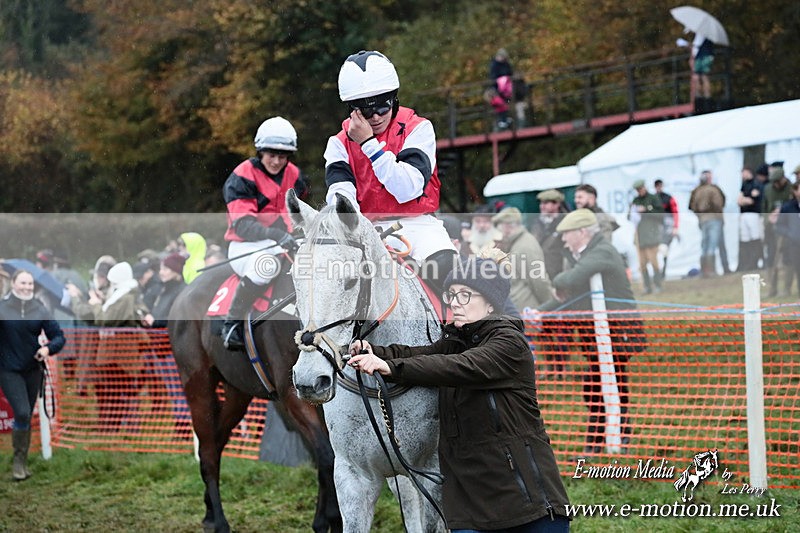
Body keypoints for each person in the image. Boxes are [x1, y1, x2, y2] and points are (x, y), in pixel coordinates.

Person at [347, 255, 571, 532]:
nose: (455, 303)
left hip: (525, 500)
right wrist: (376, 352)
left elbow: (459, 366)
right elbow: (420, 354)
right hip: (467, 501)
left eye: (465, 295)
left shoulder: (509, 343)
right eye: (451, 295)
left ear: (490, 303)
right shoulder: (456, 341)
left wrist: (389, 367)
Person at [324, 50, 457, 289]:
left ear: (393, 98)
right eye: (365, 111)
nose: (374, 117)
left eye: (382, 108)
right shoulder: (338, 143)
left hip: (419, 227)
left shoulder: (419, 128)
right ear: (353, 109)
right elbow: (341, 198)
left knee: (454, 277)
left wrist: (367, 144)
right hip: (368, 229)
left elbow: (406, 190)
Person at [536, 209, 644, 455]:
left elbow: (568, 280)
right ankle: (605, 441)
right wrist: (539, 311)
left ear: (582, 232)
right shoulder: (587, 254)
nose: (563, 240)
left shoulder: (601, 252)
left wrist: (562, 282)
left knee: (604, 384)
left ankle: (608, 442)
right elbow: (571, 293)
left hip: (617, 333)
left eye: (566, 235)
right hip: (600, 335)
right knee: (602, 384)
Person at [221, 117, 310, 350]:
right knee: (266, 267)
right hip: (246, 244)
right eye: (272, 155)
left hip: (283, 241)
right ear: (260, 152)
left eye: (283, 156)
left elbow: (300, 210)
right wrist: (277, 235)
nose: (277, 161)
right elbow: (243, 225)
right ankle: (232, 322)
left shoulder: (294, 174)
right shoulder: (242, 176)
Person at [0, 270, 66, 480]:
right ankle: (18, 464)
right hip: (8, 369)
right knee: (21, 412)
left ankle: (23, 462)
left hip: (33, 369)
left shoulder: (39, 308)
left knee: (26, 414)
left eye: (30, 284)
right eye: (23, 283)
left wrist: (47, 349)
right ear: (13, 283)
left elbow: (58, 337)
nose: (27, 287)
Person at [492, 207, 552, 311]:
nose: (500, 233)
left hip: (527, 311)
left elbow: (538, 280)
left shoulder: (525, 245)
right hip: (521, 309)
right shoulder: (517, 243)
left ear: (507, 226)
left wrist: (549, 305)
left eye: (500, 228)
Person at [628, 180, 664, 293]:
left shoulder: (653, 199)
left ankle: (658, 285)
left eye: (641, 188)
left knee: (654, 263)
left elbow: (660, 214)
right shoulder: (635, 201)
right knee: (642, 265)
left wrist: (647, 210)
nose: (639, 191)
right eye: (637, 190)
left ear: (644, 187)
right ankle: (647, 287)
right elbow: (629, 216)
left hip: (651, 236)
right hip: (640, 237)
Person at [762, 162, 792, 295]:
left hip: (788, 230)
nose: (775, 185)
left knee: (787, 258)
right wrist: (768, 218)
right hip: (771, 228)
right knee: (771, 258)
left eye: (777, 182)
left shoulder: (791, 188)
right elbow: (764, 209)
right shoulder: (768, 189)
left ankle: (786, 289)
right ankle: (772, 288)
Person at [688, 170, 725, 277]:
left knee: (704, 245)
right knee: (712, 245)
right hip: (714, 218)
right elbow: (719, 204)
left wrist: (700, 215)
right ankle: (711, 271)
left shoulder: (696, 191)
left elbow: (692, 206)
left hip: (702, 220)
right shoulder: (713, 190)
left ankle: (704, 271)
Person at [531, 189, 569, 280]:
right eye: (541, 203)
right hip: (540, 273)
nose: (542, 206)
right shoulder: (537, 224)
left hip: (559, 275)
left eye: (546, 203)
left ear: (557, 204)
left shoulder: (565, 223)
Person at [774, 181, 800, 297]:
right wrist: (790, 233)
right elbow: (779, 226)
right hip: (793, 244)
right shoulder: (788, 207)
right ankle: (787, 290)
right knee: (794, 267)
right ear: (795, 191)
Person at [736, 167, 764, 271]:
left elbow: (752, 200)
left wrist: (745, 199)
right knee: (745, 239)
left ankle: (757, 261)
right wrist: (744, 199)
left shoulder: (756, 184)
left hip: (753, 214)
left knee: (755, 237)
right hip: (744, 214)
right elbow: (739, 200)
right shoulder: (744, 185)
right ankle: (748, 263)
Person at [653, 179, 680, 275]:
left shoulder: (668, 198)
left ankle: (663, 271)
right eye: (657, 186)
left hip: (667, 228)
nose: (659, 188)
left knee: (664, 249)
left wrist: (675, 227)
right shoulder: (652, 199)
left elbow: (675, 213)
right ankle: (658, 271)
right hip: (656, 228)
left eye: (660, 186)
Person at [488, 48, 514, 130]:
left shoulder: (506, 64)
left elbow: (510, 73)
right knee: (499, 105)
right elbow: (493, 77)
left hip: (506, 88)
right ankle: (501, 122)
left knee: (505, 105)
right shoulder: (494, 65)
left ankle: (504, 121)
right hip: (497, 89)